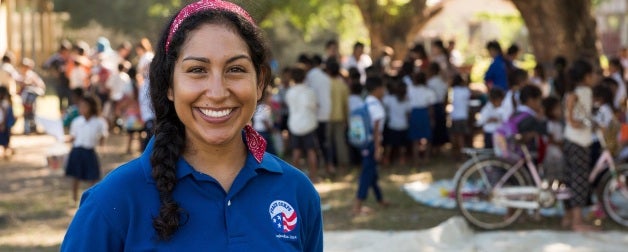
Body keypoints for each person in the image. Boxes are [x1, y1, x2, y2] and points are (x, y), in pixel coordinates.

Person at [61, 1, 323, 251]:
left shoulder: (296, 192)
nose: (218, 92)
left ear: (260, 81)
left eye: (236, 69)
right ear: (169, 85)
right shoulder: (114, 201)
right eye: (197, 70)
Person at [562, 59, 597, 231]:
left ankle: (568, 217)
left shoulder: (572, 91)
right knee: (579, 181)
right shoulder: (584, 92)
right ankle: (577, 221)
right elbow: (577, 119)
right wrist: (589, 123)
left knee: (570, 179)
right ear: (587, 76)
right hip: (580, 142)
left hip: (569, 140)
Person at [352, 76, 390, 215]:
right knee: (367, 174)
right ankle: (357, 206)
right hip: (372, 144)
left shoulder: (366, 102)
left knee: (372, 173)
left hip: (364, 143)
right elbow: (376, 130)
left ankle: (380, 199)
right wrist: (378, 148)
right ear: (378, 89)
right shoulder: (377, 107)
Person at [64, 95, 108, 202]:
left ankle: (92, 198)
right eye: (81, 106)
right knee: (75, 175)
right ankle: (74, 198)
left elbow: (103, 136)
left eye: (85, 106)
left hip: (89, 151)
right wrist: (64, 139)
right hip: (77, 151)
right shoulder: (77, 122)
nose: (82, 109)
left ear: (92, 107)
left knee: (93, 176)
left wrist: (102, 149)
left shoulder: (99, 122)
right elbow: (73, 136)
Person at [286, 65, 320, 182]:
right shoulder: (309, 91)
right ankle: (313, 176)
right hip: (308, 124)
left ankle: (294, 178)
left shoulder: (290, 92)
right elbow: (314, 106)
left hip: (295, 125)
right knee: (311, 150)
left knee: (296, 151)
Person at [407, 72, 436, 164]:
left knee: (415, 138)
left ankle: (416, 158)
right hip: (424, 113)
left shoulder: (410, 90)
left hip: (415, 113)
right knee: (427, 137)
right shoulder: (428, 91)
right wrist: (432, 118)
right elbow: (431, 107)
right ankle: (426, 157)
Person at [326, 59, 350, 168]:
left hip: (327, 117)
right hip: (340, 116)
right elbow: (346, 105)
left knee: (327, 142)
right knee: (340, 142)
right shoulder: (343, 85)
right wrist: (346, 119)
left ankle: (328, 164)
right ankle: (343, 164)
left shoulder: (326, 84)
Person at [382, 77, 410, 166]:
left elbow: (384, 104)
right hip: (403, 126)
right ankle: (402, 159)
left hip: (392, 125)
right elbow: (408, 115)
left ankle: (386, 159)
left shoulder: (390, 99)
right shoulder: (407, 101)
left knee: (389, 144)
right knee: (402, 145)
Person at [541, 96, 564, 184]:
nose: (560, 111)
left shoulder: (557, 124)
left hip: (558, 155)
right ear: (550, 111)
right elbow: (550, 139)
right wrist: (560, 144)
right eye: (558, 108)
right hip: (551, 155)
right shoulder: (549, 124)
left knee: (559, 176)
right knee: (551, 177)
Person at [449, 74, 471, 160]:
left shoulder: (453, 90)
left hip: (455, 116)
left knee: (456, 136)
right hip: (463, 116)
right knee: (461, 137)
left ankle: (457, 154)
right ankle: (462, 154)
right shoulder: (465, 90)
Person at [0, 86, 15, 159]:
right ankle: (9, 150)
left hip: (4, 124)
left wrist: (3, 124)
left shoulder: (5, 103)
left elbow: (5, 115)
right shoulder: (5, 102)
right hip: (4, 124)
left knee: (4, 139)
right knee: (4, 139)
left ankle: (7, 151)